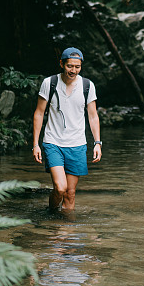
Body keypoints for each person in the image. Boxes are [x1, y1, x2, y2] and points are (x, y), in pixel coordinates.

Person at [32, 47, 102, 212]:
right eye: (70, 66)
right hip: (53, 142)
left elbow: (93, 116)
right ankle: (51, 214)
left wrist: (97, 143)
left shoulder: (87, 86)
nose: (73, 70)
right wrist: (35, 144)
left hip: (77, 144)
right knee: (60, 187)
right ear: (61, 64)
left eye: (77, 67)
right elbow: (39, 113)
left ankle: (66, 232)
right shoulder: (50, 83)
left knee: (70, 193)